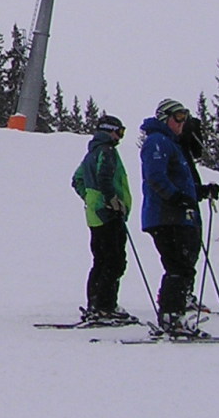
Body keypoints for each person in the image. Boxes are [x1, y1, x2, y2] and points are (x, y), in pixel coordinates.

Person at [140, 99, 204, 336]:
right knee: (177, 265)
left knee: (183, 265)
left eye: (184, 117)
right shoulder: (157, 141)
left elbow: (179, 181)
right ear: (164, 118)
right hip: (166, 216)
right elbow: (155, 176)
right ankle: (170, 317)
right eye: (178, 117)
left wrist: (200, 192)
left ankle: (174, 313)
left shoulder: (171, 143)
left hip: (176, 215)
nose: (182, 122)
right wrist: (176, 198)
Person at [70, 114, 134, 324]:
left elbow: (77, 179)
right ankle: (105, 306)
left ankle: (96, 304)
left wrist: (90, 197)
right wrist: (111, 200)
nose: (120, 137)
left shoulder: (92, 152)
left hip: (95, 214)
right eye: (120, 131)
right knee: (114, 260)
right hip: (108, 213)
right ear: (110, 130)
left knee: (101, 259)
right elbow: (104, 177)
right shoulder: (106, 151)